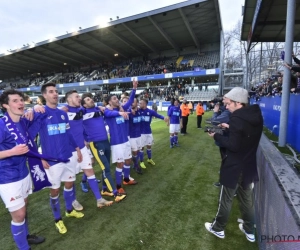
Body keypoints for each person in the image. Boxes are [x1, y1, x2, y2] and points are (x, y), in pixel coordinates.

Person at [205, 87, 263, 243]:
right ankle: (250, 230)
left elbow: (234, 145)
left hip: (235, 165)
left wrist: (215, 135)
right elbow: (246, 135)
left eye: (229, 103)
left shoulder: (237, 118)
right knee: (247, 200)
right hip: (249, 164)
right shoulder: (255, 116)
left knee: (226, 199)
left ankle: (218, 228)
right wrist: (231, 128)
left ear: (239, 103)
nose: (226, 106)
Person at [29, 83, 84, 235]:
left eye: (56, 91)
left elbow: (68, 134)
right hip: (52, 161)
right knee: (54, 190)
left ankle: (69, 210)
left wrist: (77, 149)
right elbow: (30, 137)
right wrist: (39, 157)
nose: (55, 94)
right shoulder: (40, 113)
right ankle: (57, 219)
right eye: (51, 92)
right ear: (44, 95)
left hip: (68, 156)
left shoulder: (62, 113)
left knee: (70, 183)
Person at [0, 90, 45, 250]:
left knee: (24, 211)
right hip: (6, 178)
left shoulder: (23, 121)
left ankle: (26, 236)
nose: (20, 103)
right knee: (18, 215)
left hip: (23, 173)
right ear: (5, 105)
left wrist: (36, 109)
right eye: (15, 101)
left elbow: (40, 117)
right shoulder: (1, 125)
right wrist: (12, 152)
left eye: (21, 100)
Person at [64, 90, 113, 208]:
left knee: (90, 171)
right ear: (69, 99)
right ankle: (72, 201)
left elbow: (91, 107)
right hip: (70, 150)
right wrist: (33, 109)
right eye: (77, 97)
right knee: (70, 180)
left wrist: (100, 106)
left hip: (82, 147)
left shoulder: (81, 110)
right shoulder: (63, 112)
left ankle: (99, 199)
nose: (79, 99)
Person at [81, 94, 127, 203]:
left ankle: (105, 189)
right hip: (96, 143)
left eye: (91, 98)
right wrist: (85, 139)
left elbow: (108, 111)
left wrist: (117, 110)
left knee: (105, 167)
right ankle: (116, 194)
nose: (91, 99)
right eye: (88, 99)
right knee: (105, 168)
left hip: (106, 141)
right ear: (84, 104)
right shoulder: (82, 112)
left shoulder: (98, 109)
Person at [139, 99, 169, 168]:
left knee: (149, 146)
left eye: (141, 103)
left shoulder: (150, 111)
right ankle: (141, 162)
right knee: (141, 148)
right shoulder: (138, 111)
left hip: (148, 132)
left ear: (145, 104)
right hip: (141, 133)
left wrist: (164, 118)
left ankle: (149, 159)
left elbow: (158, 115)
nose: (139, 104)